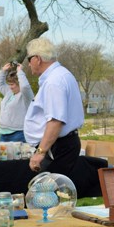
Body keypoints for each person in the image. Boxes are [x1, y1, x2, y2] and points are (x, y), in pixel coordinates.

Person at [24, 37, 84, 176]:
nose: (28, 64)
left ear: (37, 59)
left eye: (29, 59)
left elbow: (56, 121)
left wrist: (40, 152)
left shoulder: (54, 82)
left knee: (50, 193)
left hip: (58, 146)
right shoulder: (62, 74)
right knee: (56, 192)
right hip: (62, 144)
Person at [0, 61, 34, 142]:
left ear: (19, 83)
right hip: (3, 133)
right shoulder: (9, 92)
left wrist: (20, 71)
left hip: (18, 134)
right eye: (9, 84)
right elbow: (0, 84)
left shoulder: (25, 95)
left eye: (12, 84)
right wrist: (3, 71)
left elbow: (25, 86)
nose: (10, 87)